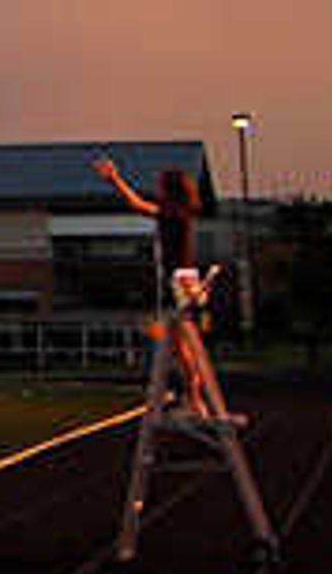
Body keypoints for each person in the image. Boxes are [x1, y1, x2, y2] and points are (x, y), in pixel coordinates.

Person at [97, 155, 233, 423]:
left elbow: (136, 204)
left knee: (179, 345)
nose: (156, 188)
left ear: (169, 189)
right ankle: (194, 399)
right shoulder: (181, 213)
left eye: (160, 185)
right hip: (186, 278)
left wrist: (115, 179)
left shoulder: (171, 213)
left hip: (179, 280)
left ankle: (195, 401)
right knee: (179, 344)